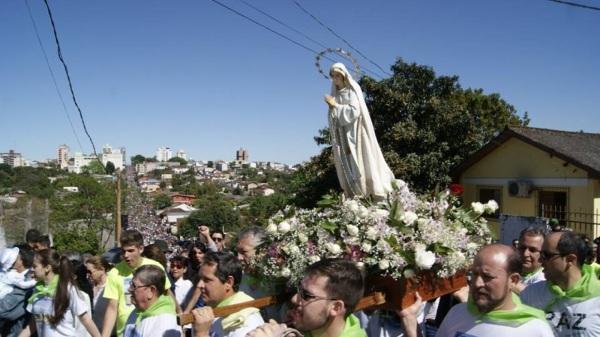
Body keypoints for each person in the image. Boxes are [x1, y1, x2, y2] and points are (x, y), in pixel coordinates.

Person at [434, 244, 555, 337]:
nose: (477, 283)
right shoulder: (456, 314)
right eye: (475, 274)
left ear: (513, 280)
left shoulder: (535, 329)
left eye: (488, 277)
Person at [324, 62, 395, 199]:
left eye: (338, 75)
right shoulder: (336, 95)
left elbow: (354, 112)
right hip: (343, 135)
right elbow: (333, 118)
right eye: (333, 76)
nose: (335, 78)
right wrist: (332, 108)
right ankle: (355, 192)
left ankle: (368, 191)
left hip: (356, 134)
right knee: (348, 163)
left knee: (361, 161)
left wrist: (335, 106)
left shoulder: (352, 91)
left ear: (344, 76)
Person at [521, 231, 600, 336]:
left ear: (570, 259)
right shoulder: (530, 294)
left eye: (546, 255)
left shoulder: (597, 298)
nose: (540, 260)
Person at [101, 230, 172, 337]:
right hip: (126, 331)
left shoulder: (155, 267)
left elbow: (167, 295)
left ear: (141, 248)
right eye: (123, 251)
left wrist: (176, 317)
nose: (126, 255)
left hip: (152, 329)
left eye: (130, 251)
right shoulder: (114, 273)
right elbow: (112, 307)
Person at [17, 248, 102, 337]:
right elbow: (33, 324)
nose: (31, 269)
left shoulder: (67, 289)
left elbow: (86, 320)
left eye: (35, 266)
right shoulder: (37, 290)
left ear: (47, 268)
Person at [188, 251, 264, 337]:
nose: (199, 285)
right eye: (200, 279)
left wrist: (201, 334)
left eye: (207, 280)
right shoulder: (205, 314)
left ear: (228, 282)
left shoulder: (246, 322)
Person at [122, 265, 180, 337]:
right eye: (131, 284)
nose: (129, 289)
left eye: (134, 286)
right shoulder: (136, 313)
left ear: (151, 291)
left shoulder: (165, 322)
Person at [0, 245, 35, 337]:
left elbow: (3, 310)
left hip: (17, 332)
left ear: (21, 261)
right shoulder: (9, 274)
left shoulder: (28, 280)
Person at [85, 256, 112, 334]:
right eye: (86, 272)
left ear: (102, 269)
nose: (87, 275)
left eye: (90, 272)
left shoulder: (111, 287)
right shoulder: (89, 286)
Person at [516, 226, 546, 292]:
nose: (525, 254)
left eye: (532, 250)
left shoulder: (543, 279)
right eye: (522, 248)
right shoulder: (509, 270)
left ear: (543, 253)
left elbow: (535, 298)